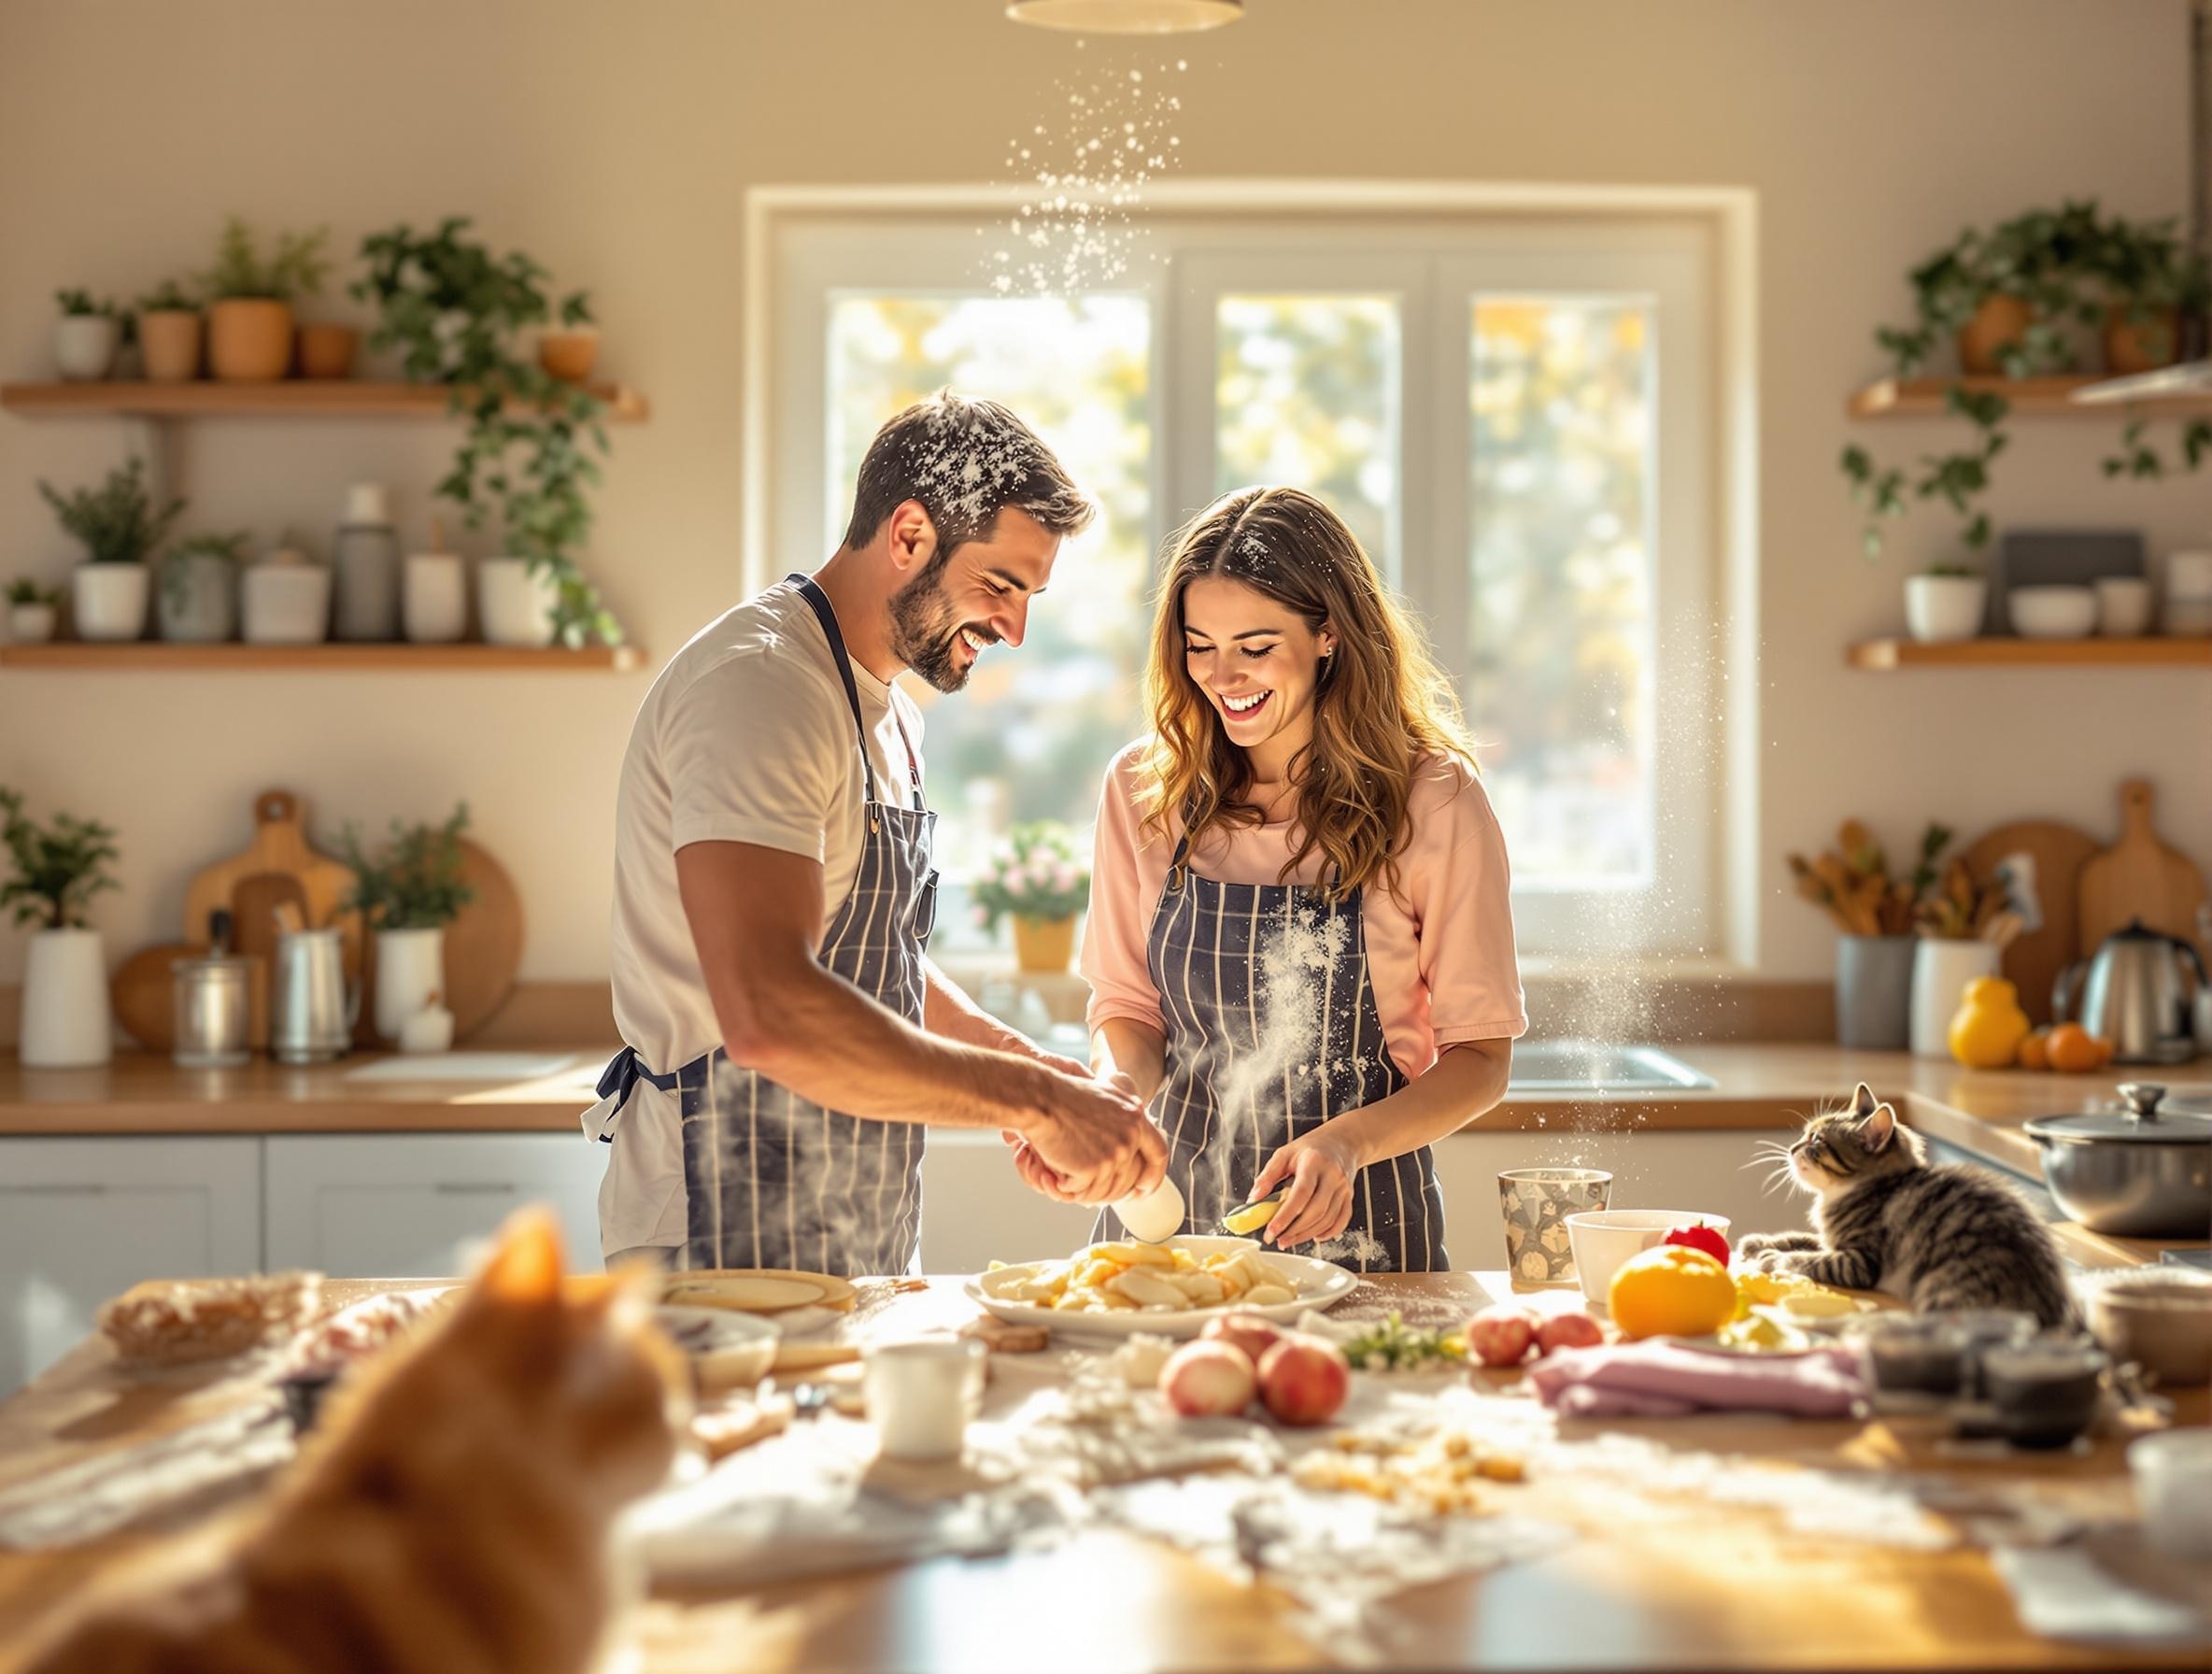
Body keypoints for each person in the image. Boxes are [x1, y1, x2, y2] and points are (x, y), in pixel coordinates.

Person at [589, 390, 1166, 1276]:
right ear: (907, 535)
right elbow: (773, 1012)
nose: (1015, 628)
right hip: (715, 1221)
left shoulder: (890, 714)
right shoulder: (762, 688)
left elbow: (871, 955)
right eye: (1001, 584)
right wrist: (1037, 1099)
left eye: (1030, 595)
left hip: (852, 1212)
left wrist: (1024, 1072)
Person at [1027, 485, 1525, 1271]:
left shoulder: (1434, 800)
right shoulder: (1143, 792)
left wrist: (1348, 1142)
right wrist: (1114, 1096)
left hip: (1362, 1236)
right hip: (1167, 1237)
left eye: (1256, 648)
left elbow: (1481, 1061)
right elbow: (1127, 1007)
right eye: (1200, 646)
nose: (1223, 676)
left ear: (1329, 634)